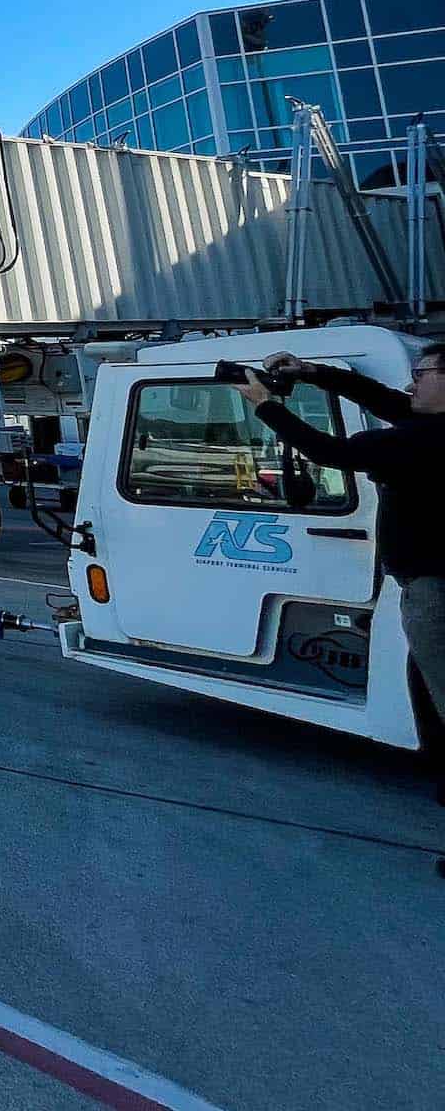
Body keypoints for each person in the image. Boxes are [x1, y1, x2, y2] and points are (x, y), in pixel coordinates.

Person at [241, 341, 445, 862]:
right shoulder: (426, 430)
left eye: (421, 373)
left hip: (434, 593)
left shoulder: (420, 443)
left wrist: (265, 404)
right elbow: (383, 399)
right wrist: (311, 373)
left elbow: (329, 453)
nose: (410, 383)